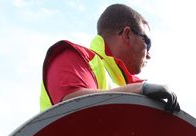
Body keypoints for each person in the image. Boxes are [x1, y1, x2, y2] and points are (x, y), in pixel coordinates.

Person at [40, 3, 179, 112]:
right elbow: (73, 107)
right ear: (127, 35)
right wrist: (141, 89)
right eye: (147, 42)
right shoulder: (71, 56)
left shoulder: (130, 85)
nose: (149, 54)